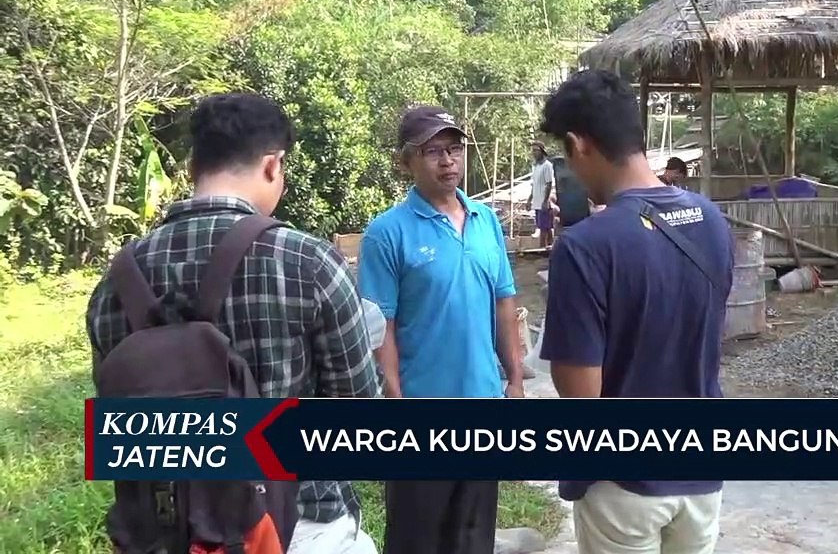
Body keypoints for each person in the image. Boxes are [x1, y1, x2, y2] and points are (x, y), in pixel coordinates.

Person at [85, 92, 382, 554]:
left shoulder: (116, 282)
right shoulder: (309, 262)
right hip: (301, 523)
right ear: (272, 165)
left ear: (191, 168)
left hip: (170, 532)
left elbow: (120, 427)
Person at [537, 69, 733, 554]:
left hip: (624, 485)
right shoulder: (711, 220)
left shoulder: (584, 247)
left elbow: (582, 397)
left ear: (579, 144)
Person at [358, 104, 524, 554]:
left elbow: (504, 305)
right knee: (418, 537)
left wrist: (513, 383)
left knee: (473, 535)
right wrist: (395, 401)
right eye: (433, 151)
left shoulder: (486, 221)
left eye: (454, 149)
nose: (448, 161)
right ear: (406, 161)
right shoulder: (387, 233)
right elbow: (380, 328)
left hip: (483, 407)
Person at [528, 140, 556, 248]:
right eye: (533, 150)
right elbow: (534, 185)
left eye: (536, 150)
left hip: (544, 202)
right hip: (537, 201)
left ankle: (542, 249)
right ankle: (550, 248)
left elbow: (549, 184)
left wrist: (545, 201)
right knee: (546, 227)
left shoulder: (547, 166)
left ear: (542, 151)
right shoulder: (536, 167)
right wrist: (529, 199)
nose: (534, 153)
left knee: (544, 228)